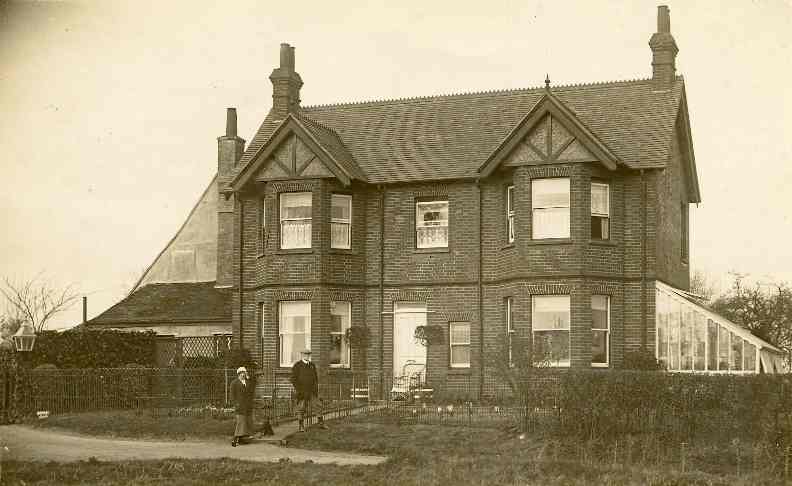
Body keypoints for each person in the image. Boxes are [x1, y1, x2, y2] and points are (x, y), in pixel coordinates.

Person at [291, 349, 326, 432]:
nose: (307, 356)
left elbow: (315, 378)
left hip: (312, 391)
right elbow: (294, 379)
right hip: (302, 391)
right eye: (305, 354)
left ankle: (320, 423)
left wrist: (315, 389)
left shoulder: (312, 365)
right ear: (302, 355)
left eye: (308, 354)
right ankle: (301, 425)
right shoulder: (297, 365)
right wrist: (299, 390)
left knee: (318, 405)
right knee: (301, 408)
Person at [230, 366, 254, 446]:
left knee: (246, 422)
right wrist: (235, 404)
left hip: (247, 406)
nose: (243, 374)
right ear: (239, 374)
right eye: (242, 373)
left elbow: (251, 391)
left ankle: (241, 439)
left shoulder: (248, 382)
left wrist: (249, 378)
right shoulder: (234, 383)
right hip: (239, 405)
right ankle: (235, 439)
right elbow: (232, 395)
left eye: (244, 373)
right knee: (240, 422)